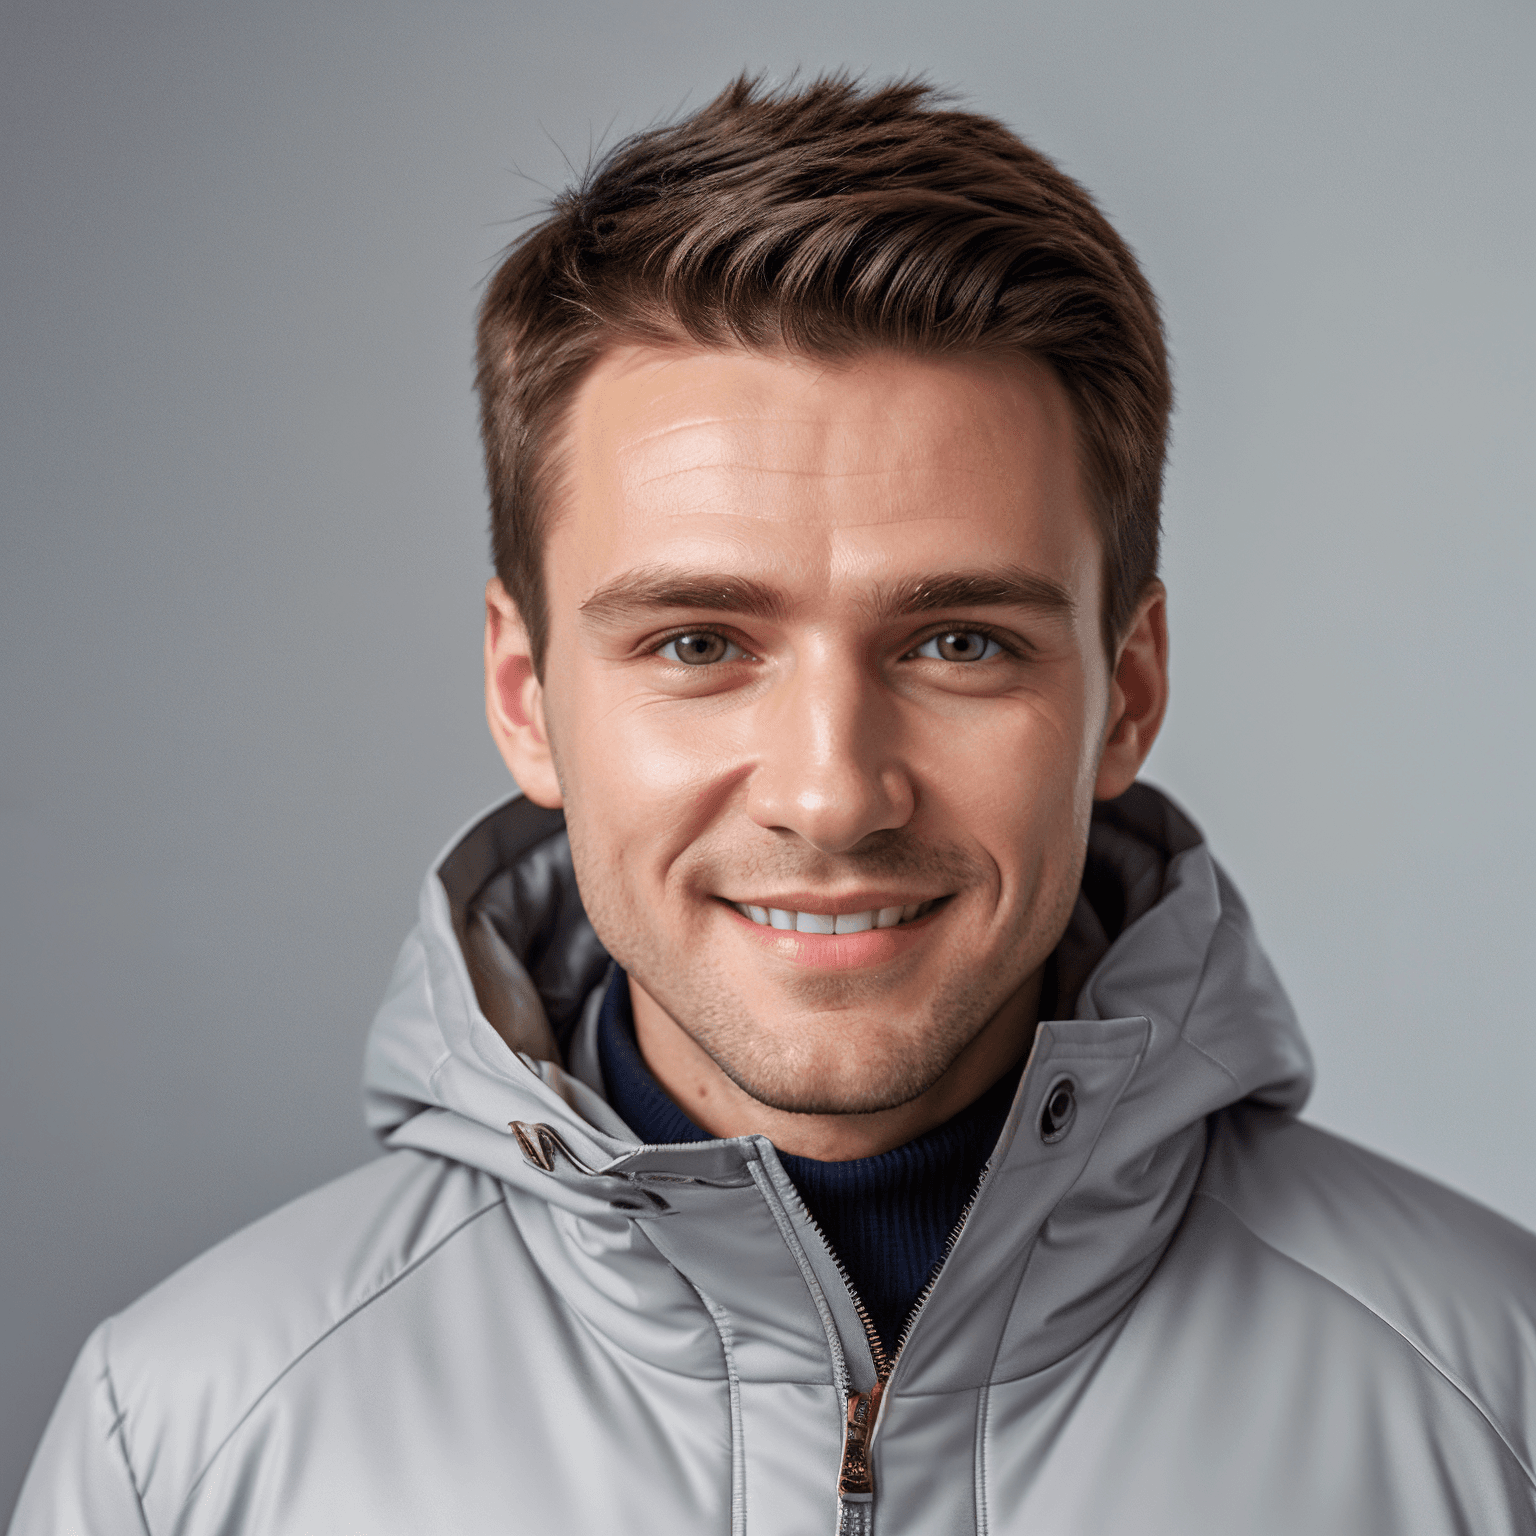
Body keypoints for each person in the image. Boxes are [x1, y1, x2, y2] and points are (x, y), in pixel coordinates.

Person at [11, 74, 1536, 1536]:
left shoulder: (1497, 1400)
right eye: (696, 645)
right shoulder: (190, 1449)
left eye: (957, 642)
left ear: (1126, 690)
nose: (831, 793)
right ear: (525, 695)